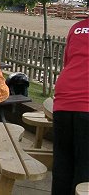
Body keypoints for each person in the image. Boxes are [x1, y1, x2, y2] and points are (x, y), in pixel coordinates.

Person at [52, 18, 89, 195]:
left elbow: (68, 61)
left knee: (62, 161)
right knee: (85, 166)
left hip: (64, 96)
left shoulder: (77, 28)